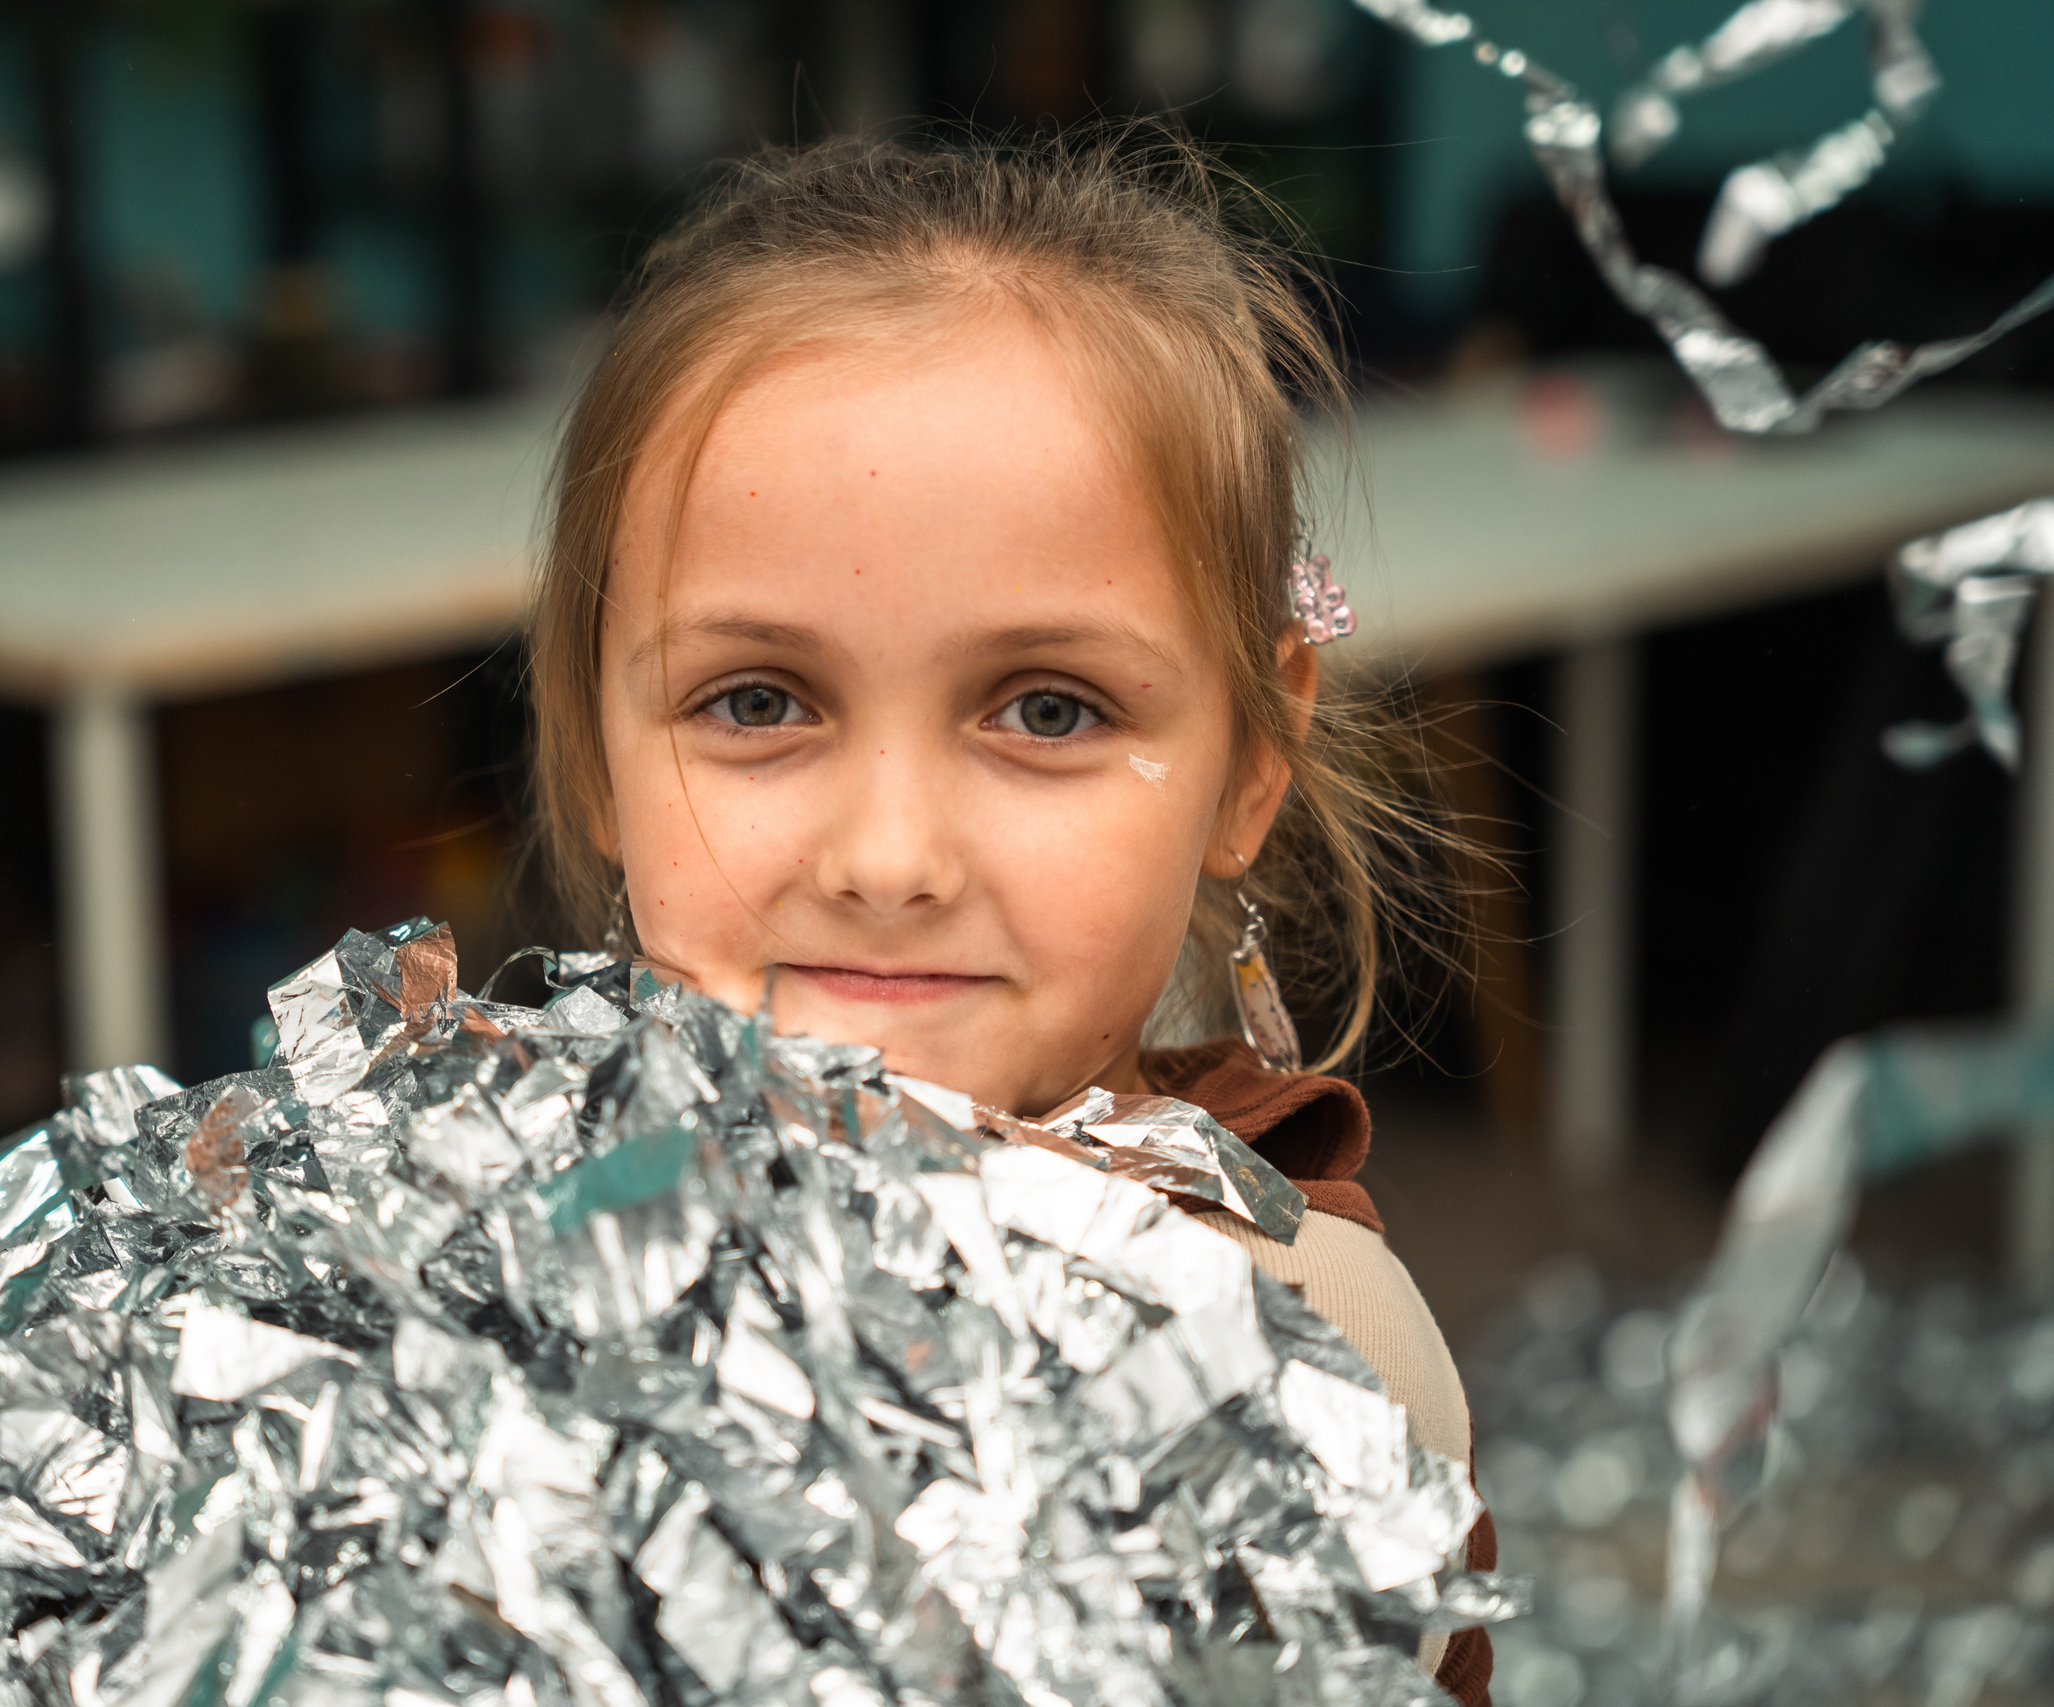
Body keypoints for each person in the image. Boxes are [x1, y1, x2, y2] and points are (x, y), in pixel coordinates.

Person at [525, 129, 1492, 1704]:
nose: (890, 859)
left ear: (1250, 762)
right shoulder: (488, 1225)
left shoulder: (1281, 1336)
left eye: (1048, 711)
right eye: (758, 699)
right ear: (595, 757)